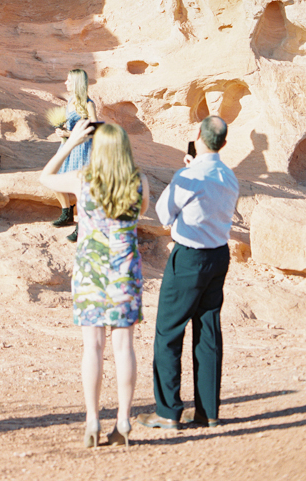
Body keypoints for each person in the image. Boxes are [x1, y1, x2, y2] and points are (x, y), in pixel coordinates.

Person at [41, 121, 149, 448]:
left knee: (93, 347)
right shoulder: (138, 181)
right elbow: (140, 213)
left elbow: (44, 177)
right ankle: (124, 420)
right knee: (124, 347)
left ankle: (92, 420)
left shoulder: (82, 179)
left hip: (91, 268)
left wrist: (70, 144)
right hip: (125, 268)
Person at [138, 115, 238, 431]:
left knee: (168, 332)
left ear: (197, 135)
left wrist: (185, 171)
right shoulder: (229, 175)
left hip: (190, 257)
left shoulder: (188, 175)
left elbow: (164, 214)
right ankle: (207, 411)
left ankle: (168, 411)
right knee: (208, 331)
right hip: (219, 256)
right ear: (223, 143)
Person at [51, 68, 97, 241]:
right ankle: (66, 213)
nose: (65, 82)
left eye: (69, 80)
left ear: (77, 83)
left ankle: (81, 226)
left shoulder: (88, 103)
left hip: (81, 148)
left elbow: (94, 129)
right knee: (55, 179)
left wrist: (69, 135)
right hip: (67, 146)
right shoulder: (71, 100)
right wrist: (60, 131)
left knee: (80, 188)